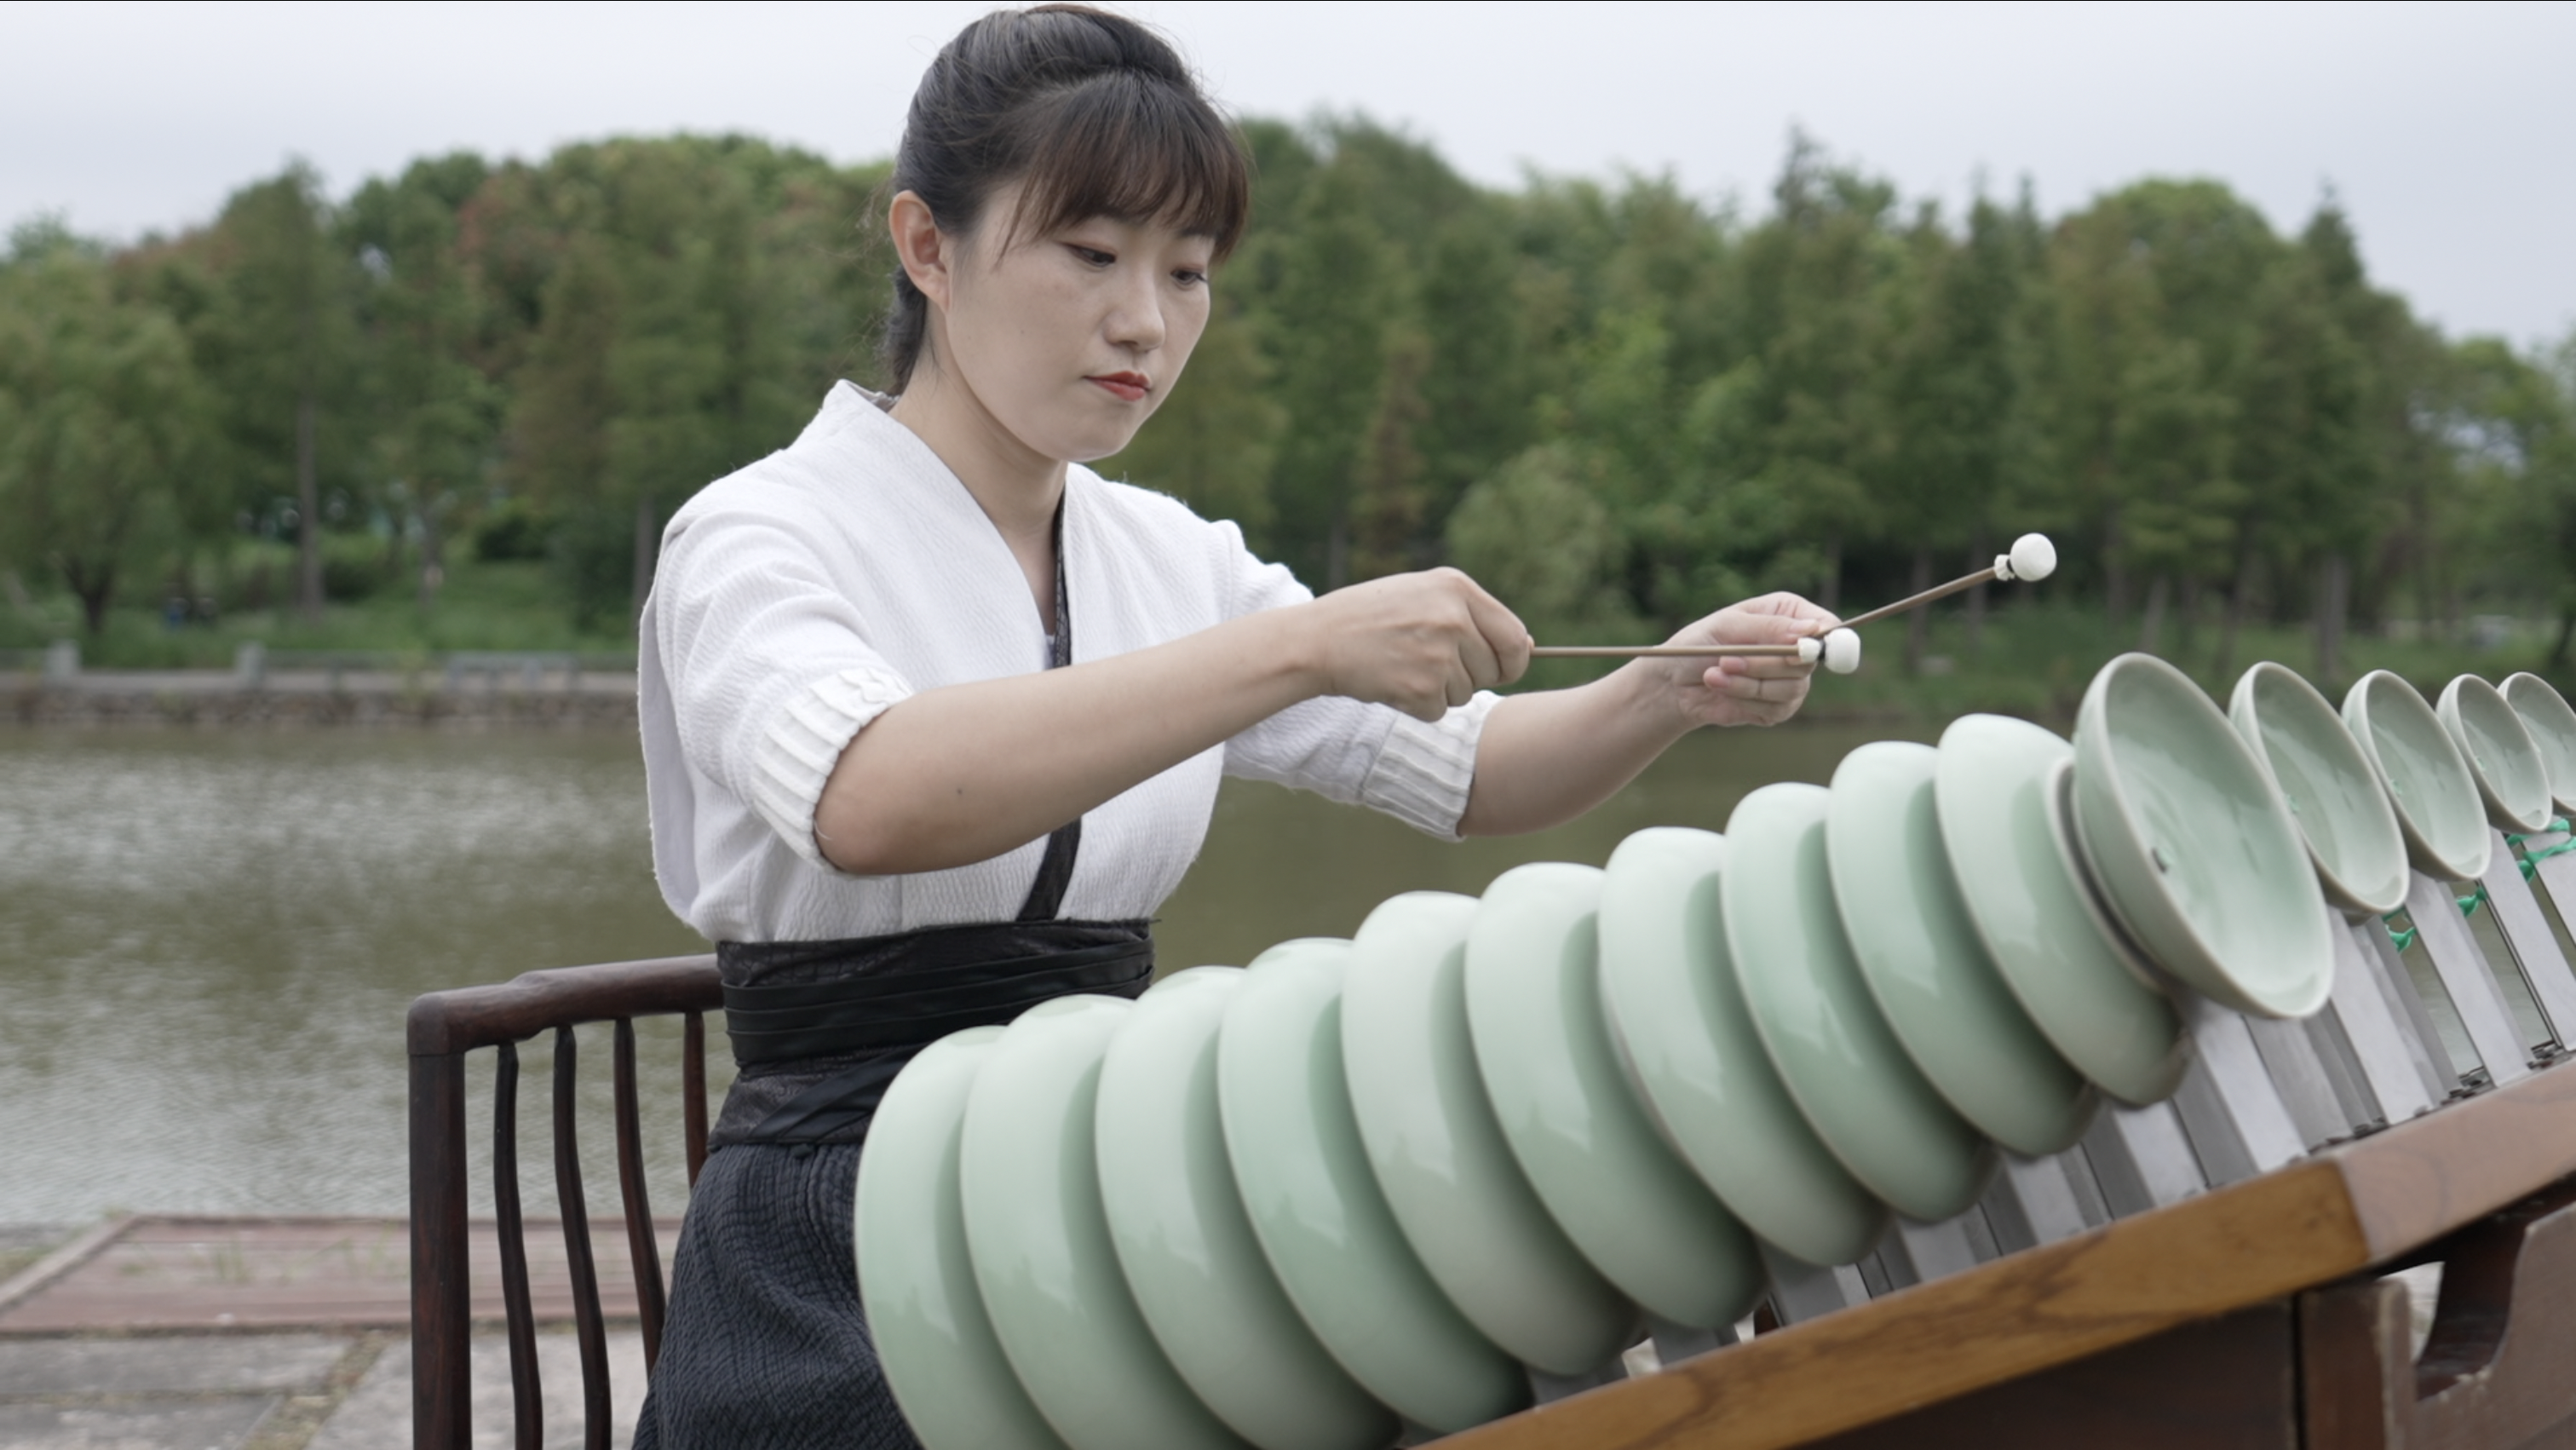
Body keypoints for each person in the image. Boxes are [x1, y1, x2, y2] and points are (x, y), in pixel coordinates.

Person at [630, 6, 1836, 1446]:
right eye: (1091, 254)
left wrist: (1662, 683)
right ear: (927, 247)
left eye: (1188, 271)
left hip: (1118, 1187)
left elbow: (1476, 774)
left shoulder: (1170, 557)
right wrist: (1298, 644)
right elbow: (873, 794)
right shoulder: (759, 534)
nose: (1146, 318)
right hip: (854, 1221)